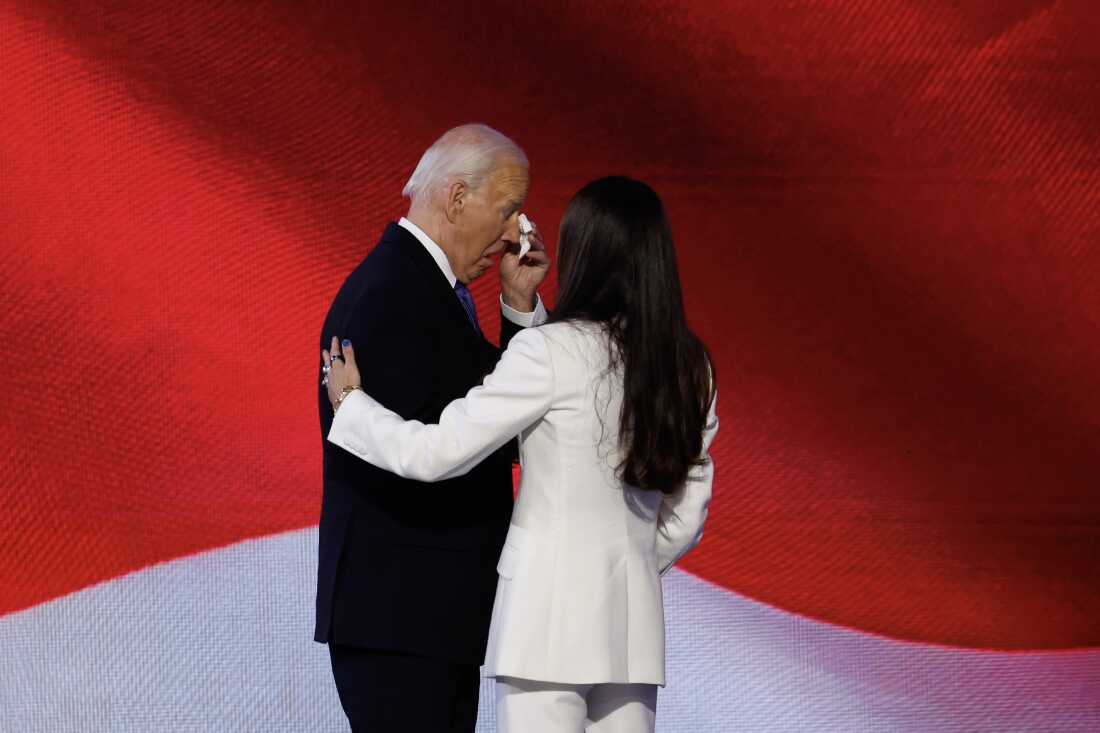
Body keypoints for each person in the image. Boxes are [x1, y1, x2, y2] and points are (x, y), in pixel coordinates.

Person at [322, 176, 718, 733]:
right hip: (633, 629)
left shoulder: (551, 351)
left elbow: (440, 452)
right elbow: (687, 515)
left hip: (543, 625)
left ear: (584, 254)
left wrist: (352, 407)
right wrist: (621, 567)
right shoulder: (690, 366)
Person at [315, 123, 550, 732]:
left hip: (424, 619)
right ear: (456, 198)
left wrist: (519, 307)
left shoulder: (426, 289)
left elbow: (493, 409)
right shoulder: (395, 294)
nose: (511, 236)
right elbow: (472, 436)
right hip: (404, 618)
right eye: (506, 212)